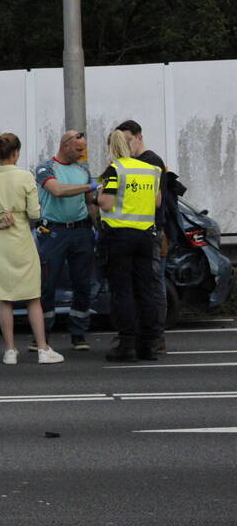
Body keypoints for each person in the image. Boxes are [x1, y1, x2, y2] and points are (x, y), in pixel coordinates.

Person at [0, 133, 65, 365]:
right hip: (21, 241)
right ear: (16, 153)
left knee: (4, 299)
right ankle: (43, 348)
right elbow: (34, 213)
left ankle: (10, 350)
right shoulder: (25, 177)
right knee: (33, 297)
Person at [98, 130, 163, 361]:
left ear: (113, 148)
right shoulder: (151, 170)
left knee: (123, 291)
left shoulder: (115, 169)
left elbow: (106, 203)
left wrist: (99, 192)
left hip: (119, 237)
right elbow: (157, 201)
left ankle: (127, 345)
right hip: (146, 237)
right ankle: (149, 344)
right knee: (146, 290)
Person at [33, 130, 100, 351]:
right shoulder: (46, 168)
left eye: (84, 149)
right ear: (65, 145)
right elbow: (57, 190)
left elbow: (90, 201)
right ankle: (43, 336)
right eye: (79, 149)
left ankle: (78, 333)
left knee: (82, 283)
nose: (82, 154)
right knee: (47, 285)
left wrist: (98, 224)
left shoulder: (83, 169)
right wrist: (89, 186)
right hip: (53, 233)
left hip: (81, 232)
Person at [115, 120, 169, 354]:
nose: (126, 146)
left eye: (128, 141)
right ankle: (146, 337)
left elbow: (156, 201)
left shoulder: (150, 162)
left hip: (148, 232)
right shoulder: (140, 164)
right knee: (143, 286)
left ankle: (155, 337)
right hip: (142, 232)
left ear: (138, 137)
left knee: (152, 286)